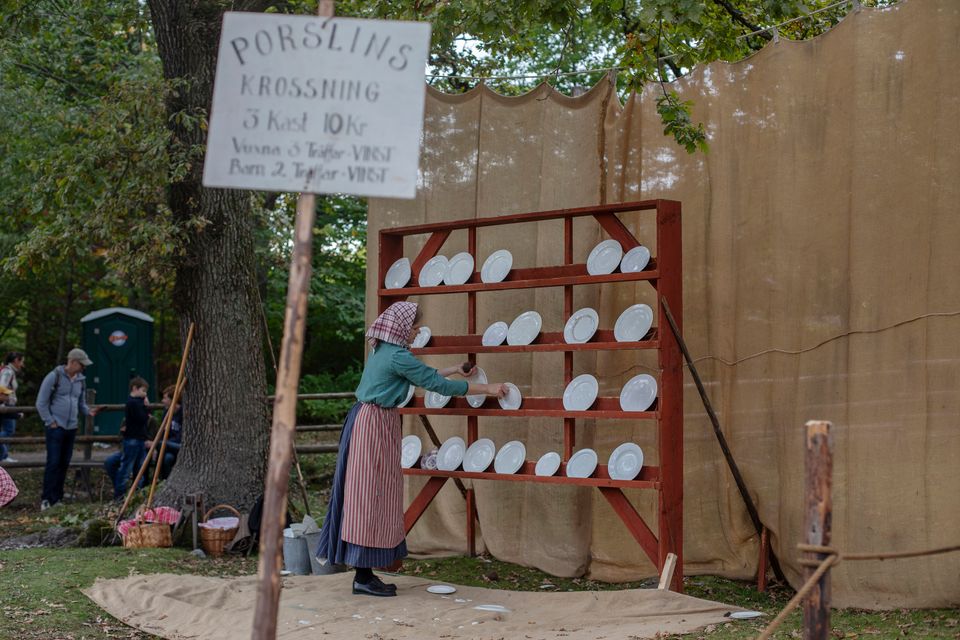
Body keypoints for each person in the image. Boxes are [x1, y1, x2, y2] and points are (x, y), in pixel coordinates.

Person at [315, 301, 508, 597]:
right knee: (371, 495)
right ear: (401, 328)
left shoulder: (385, 351)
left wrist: (456, 369)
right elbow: (433, 384)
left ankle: (364, 573)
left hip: (370, 420)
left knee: (369, 494)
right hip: (373, 425)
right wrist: (489, 389)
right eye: (414, 325)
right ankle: (362, 576)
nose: (417, 330)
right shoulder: (397, 356)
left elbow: (420, 375)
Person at [35, 348, 100, 510]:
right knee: (53, 462)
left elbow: (80, 403)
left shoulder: (81, 380)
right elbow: (41, 402)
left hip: (71, 427)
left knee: (64, 463)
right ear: (72, 362)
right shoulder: (53, 377)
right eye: (81, 364)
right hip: (56, 427)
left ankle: (57, 498)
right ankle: (46, 498)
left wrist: (88, 412)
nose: (83, 368)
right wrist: (50, 421)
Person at [111, 377, 151, 500]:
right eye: (143, 391)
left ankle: (137, 496)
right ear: (135, 388)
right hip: (133, 440)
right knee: (126, 469)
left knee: (139, 469)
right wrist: (146, 407)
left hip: (139, 439)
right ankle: (119, 496)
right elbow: (142, 418)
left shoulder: (136, 402)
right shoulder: (133, 403)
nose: (145, 394)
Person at [0, 351, 25, 463]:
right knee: (9, 431)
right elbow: (2, 386)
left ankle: (3, 456)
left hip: (6, 404)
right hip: (6, 405)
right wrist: (4, 399)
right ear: (16, 360)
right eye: (21, 361)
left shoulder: (7, 371)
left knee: (8, 430)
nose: (22, 365)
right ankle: (4, 456)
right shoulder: (8, 372)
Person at [158, 385, 182, 480]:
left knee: (159, 444)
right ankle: (163, 482)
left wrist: (165, 443)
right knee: (167, 458)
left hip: (179, 446)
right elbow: (163, 433)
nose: (162, 401)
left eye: (165, 398)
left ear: (173, 399)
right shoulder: (167, 412)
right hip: (168, 447)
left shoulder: (183, 412)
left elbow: (180, 438)